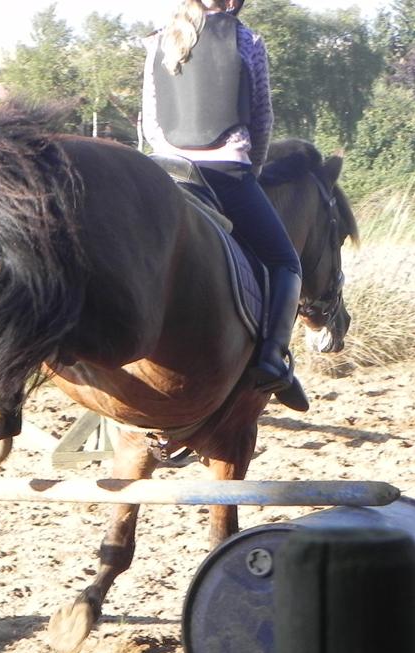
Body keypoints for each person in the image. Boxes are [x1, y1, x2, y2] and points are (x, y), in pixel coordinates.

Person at [141, 0, 308, 411]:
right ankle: (272, 359)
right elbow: (262, 117)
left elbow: (149, 121)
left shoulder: (158, 41)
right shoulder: (247, 39)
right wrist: (254, 166)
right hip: (226, 173)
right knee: (286, 262)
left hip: (166, 171)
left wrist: (167, 155)